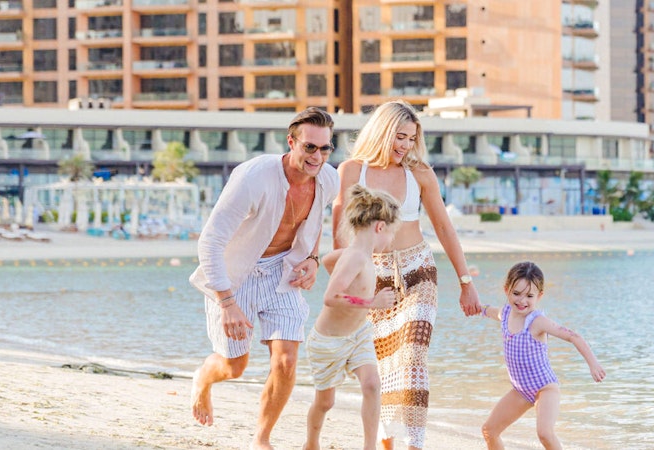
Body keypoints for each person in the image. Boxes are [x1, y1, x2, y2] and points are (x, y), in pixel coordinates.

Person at [328, 100, 482, 450]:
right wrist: (345, 284)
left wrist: (466, 282)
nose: (405, 145)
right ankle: (387, 439)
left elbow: (444, 227)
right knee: (382, 366)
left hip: (418, 273)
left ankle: (414, 443)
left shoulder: (420, 174)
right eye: (400, 137)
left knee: (412, 357)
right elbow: (340, 233)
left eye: (411, 138)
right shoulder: (351, 171)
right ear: (382, 132)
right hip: (371, 278)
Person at [188, 107, 340, 450]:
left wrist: (313, 258)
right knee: (234, 366)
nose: (317, 156)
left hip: (281, 273)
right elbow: (209, 242)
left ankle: (262, 438)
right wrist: (227, 302)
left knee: (286, 361)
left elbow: (315, 221)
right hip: (235, 275)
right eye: (310, 147)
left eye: (325, 148)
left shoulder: (328, 179)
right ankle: (202, 378)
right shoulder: (253, 177)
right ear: (291, 142)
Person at [303, 184, 401, 450]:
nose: (390, 241)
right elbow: (330, 297)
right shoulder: (355, 257)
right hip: (329, 342)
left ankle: (370, 447)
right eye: (391, 233)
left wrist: (350, 288)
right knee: (325, 402)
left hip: (358, 335)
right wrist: (372, 302)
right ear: (380, 227)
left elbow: (327, 260)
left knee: (372, 385)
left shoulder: (356, 255)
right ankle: (311, 443)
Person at [479, 261, 606, 450]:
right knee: (489, 430)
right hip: (521, 390)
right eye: (516, 293)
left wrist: (593, 364)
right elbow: (487, 310)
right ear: (507, 290)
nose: (522, 301)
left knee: (545, 433)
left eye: (529, 296)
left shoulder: (537, 322)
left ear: (539, 296)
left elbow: (573, 336)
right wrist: (476, 307)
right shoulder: (505, 314)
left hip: (545, 388)